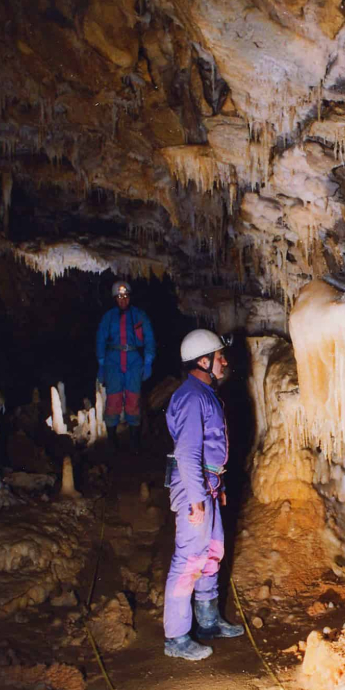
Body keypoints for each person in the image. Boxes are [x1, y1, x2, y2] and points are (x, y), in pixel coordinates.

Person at [163, 329, 243, 661]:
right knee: (188, 560)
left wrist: (216, 490)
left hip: (207, 487)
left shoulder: (205, 393)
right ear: (203, 360)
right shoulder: (192, 397)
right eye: (219, 356)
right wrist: (196, 498)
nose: (225, 362)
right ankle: (177, 637)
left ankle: (208, 621)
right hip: (191, 488)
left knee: (212, 553)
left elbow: (210, 452)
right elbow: (187, 453)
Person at [96, 280, 155, 451]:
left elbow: (149, 338)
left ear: (129, 297)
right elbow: (100, 339)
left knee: (133, 400)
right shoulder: (109, 317)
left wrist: (148, 361)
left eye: (126, 296)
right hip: (113, 361)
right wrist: (101, 364)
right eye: (120, 297)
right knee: (113, 401)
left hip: (134, 361)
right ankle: (112, 442)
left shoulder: (139, 315)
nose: (123, 300)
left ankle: (134, 443)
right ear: (115, 298)